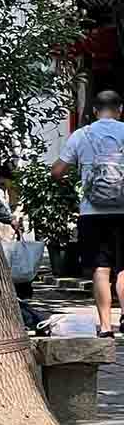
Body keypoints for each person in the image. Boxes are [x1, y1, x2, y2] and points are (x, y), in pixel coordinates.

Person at [55, 90, 124, 335]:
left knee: (100, 269)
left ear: (94, 111)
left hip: (92, 213)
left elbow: (57, 170)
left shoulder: (81, 135)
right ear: (120, 109)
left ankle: (105, 326)